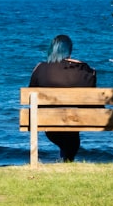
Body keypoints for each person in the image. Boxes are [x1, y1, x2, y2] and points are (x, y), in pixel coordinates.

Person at [28, 34, 97, 162]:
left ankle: (64, 160)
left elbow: (30, 97)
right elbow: (92, 103)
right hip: (76, 120)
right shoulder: (87, 71)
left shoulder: (40, 68)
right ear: (69, 51)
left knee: (67, 141)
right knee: (72, 140)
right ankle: (66, 160)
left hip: (48, 122)